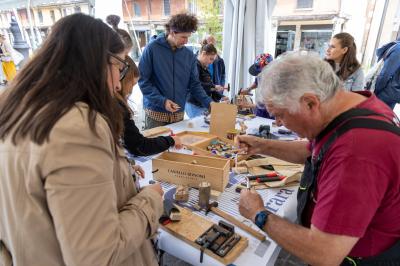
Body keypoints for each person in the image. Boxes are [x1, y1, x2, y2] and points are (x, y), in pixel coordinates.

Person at [0, 14, 164, 266]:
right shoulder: (77, 126)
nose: (118, 85)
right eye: (119, 68)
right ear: (96, 62)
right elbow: (97, 254)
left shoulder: (15, 113)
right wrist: (150, 201)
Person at [236, 53, 400, 265]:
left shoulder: (355, 152)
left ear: (310, 103)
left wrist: (258, 214)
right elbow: (313, 149)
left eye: (281, 115)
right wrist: (261, 144)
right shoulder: (348, 106)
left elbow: (323, 254)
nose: (277, 124)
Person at [138, 13, 212, 129]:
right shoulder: (151, 49)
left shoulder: (189, 55)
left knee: (177, 147)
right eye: (183, 37)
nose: (186, 41)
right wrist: (163, 101)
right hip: (155, 114)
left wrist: (209, 103)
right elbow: (143, 81)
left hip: (178, 115)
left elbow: (195, 85)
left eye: (188, 37)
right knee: (155, 146)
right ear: (172, 32)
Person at [117, 55, 183, 155]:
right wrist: (170, 140)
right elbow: (139, 146)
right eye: (131, 85)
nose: (130, 90)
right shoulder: (117, 107)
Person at [185, 43, 228, 118]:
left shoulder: (204, 68)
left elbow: (209, 87)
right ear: (203, 54)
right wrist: (213, 86)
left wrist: (221, 96)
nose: (211, 62)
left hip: (203, 104)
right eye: (211, 59)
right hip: (194, 104)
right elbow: (196, 86)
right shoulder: (194, 66)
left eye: (213, 60)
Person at [239, 53, 274, 118]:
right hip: (259, 112)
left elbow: (269, 105)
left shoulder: (275, 82)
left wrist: (249, 105)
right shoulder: (260, 75)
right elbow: (256, 82)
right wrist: (248, 89)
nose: (261, 74)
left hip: (270, 115)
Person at [373, 39, 400, 109]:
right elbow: (385, 74)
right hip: (387, 92)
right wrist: (376, 91)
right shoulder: (398, 49)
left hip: (389, 92)